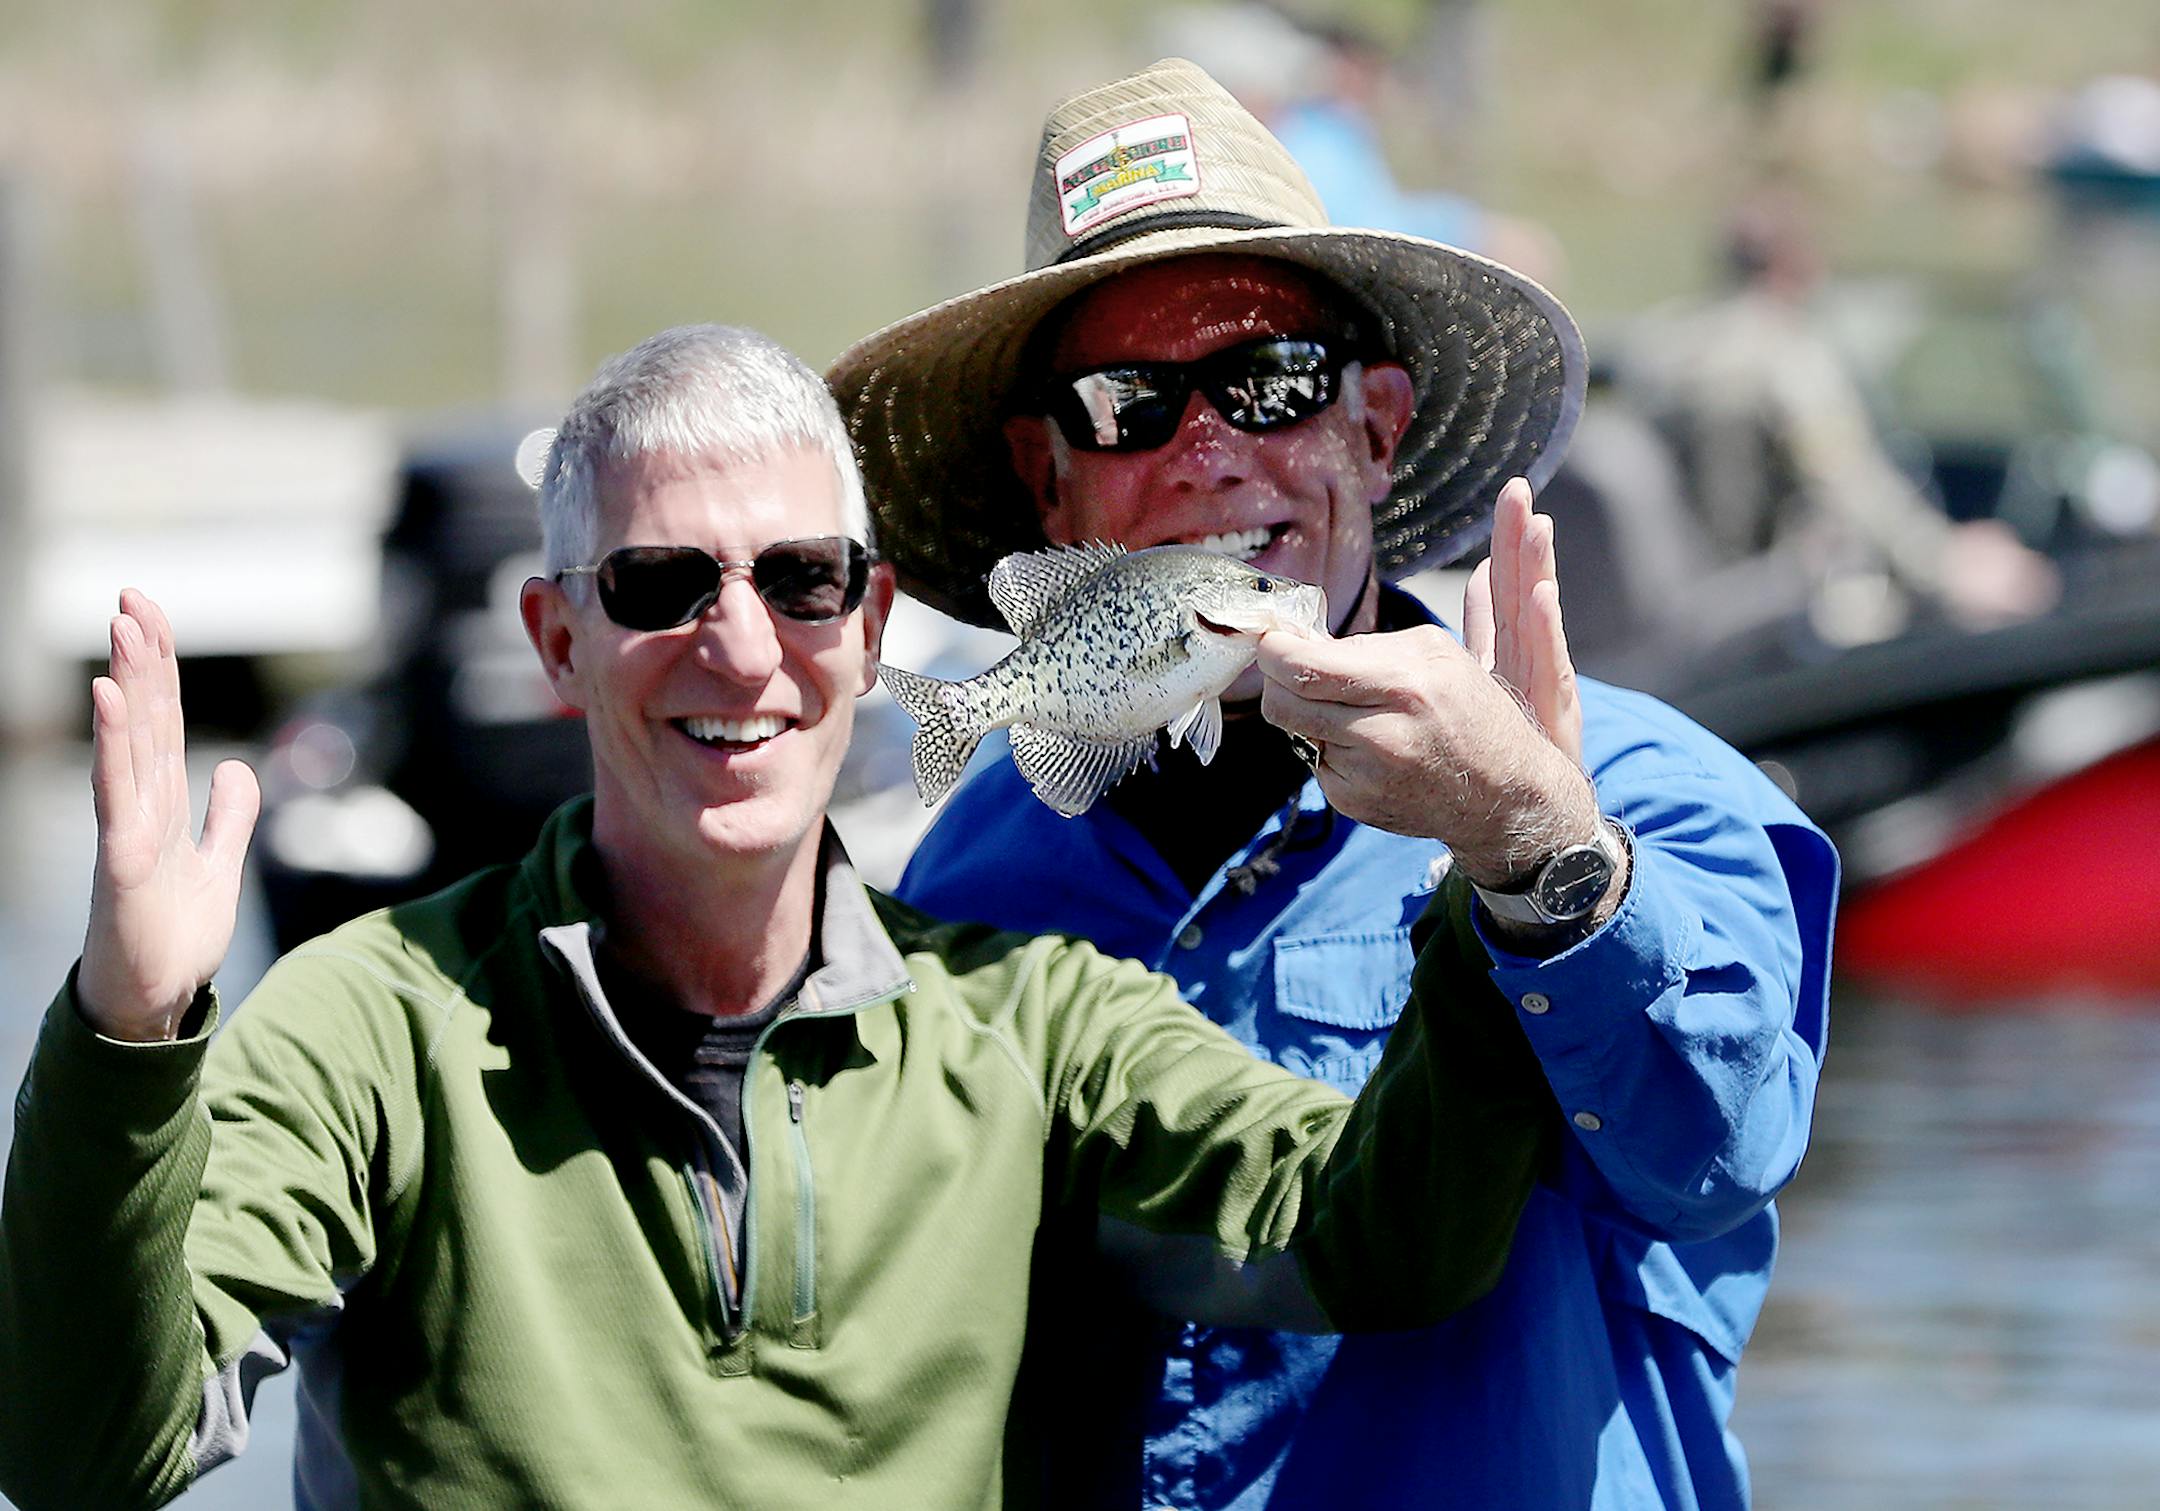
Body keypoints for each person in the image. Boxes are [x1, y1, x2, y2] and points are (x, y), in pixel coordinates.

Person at [0, 325, 1556, 1509]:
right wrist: (126, 1040)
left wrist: (1509, 859)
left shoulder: (1037, 1031)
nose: (741, 648)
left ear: (870, 628)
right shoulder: (371, 1024)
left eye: (802, 580)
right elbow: (83, 1458)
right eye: (663, 583)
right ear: (556, 641)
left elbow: (1384, 1239)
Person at [828, 59, 1839, 1510]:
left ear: (1374, 426)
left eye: (1270, 383)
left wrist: (1535, 844)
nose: (1210, 449)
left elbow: (1721, 1149)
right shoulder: (984, 857)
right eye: (1127, 404)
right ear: (1050, 484)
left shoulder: (1640, 787)